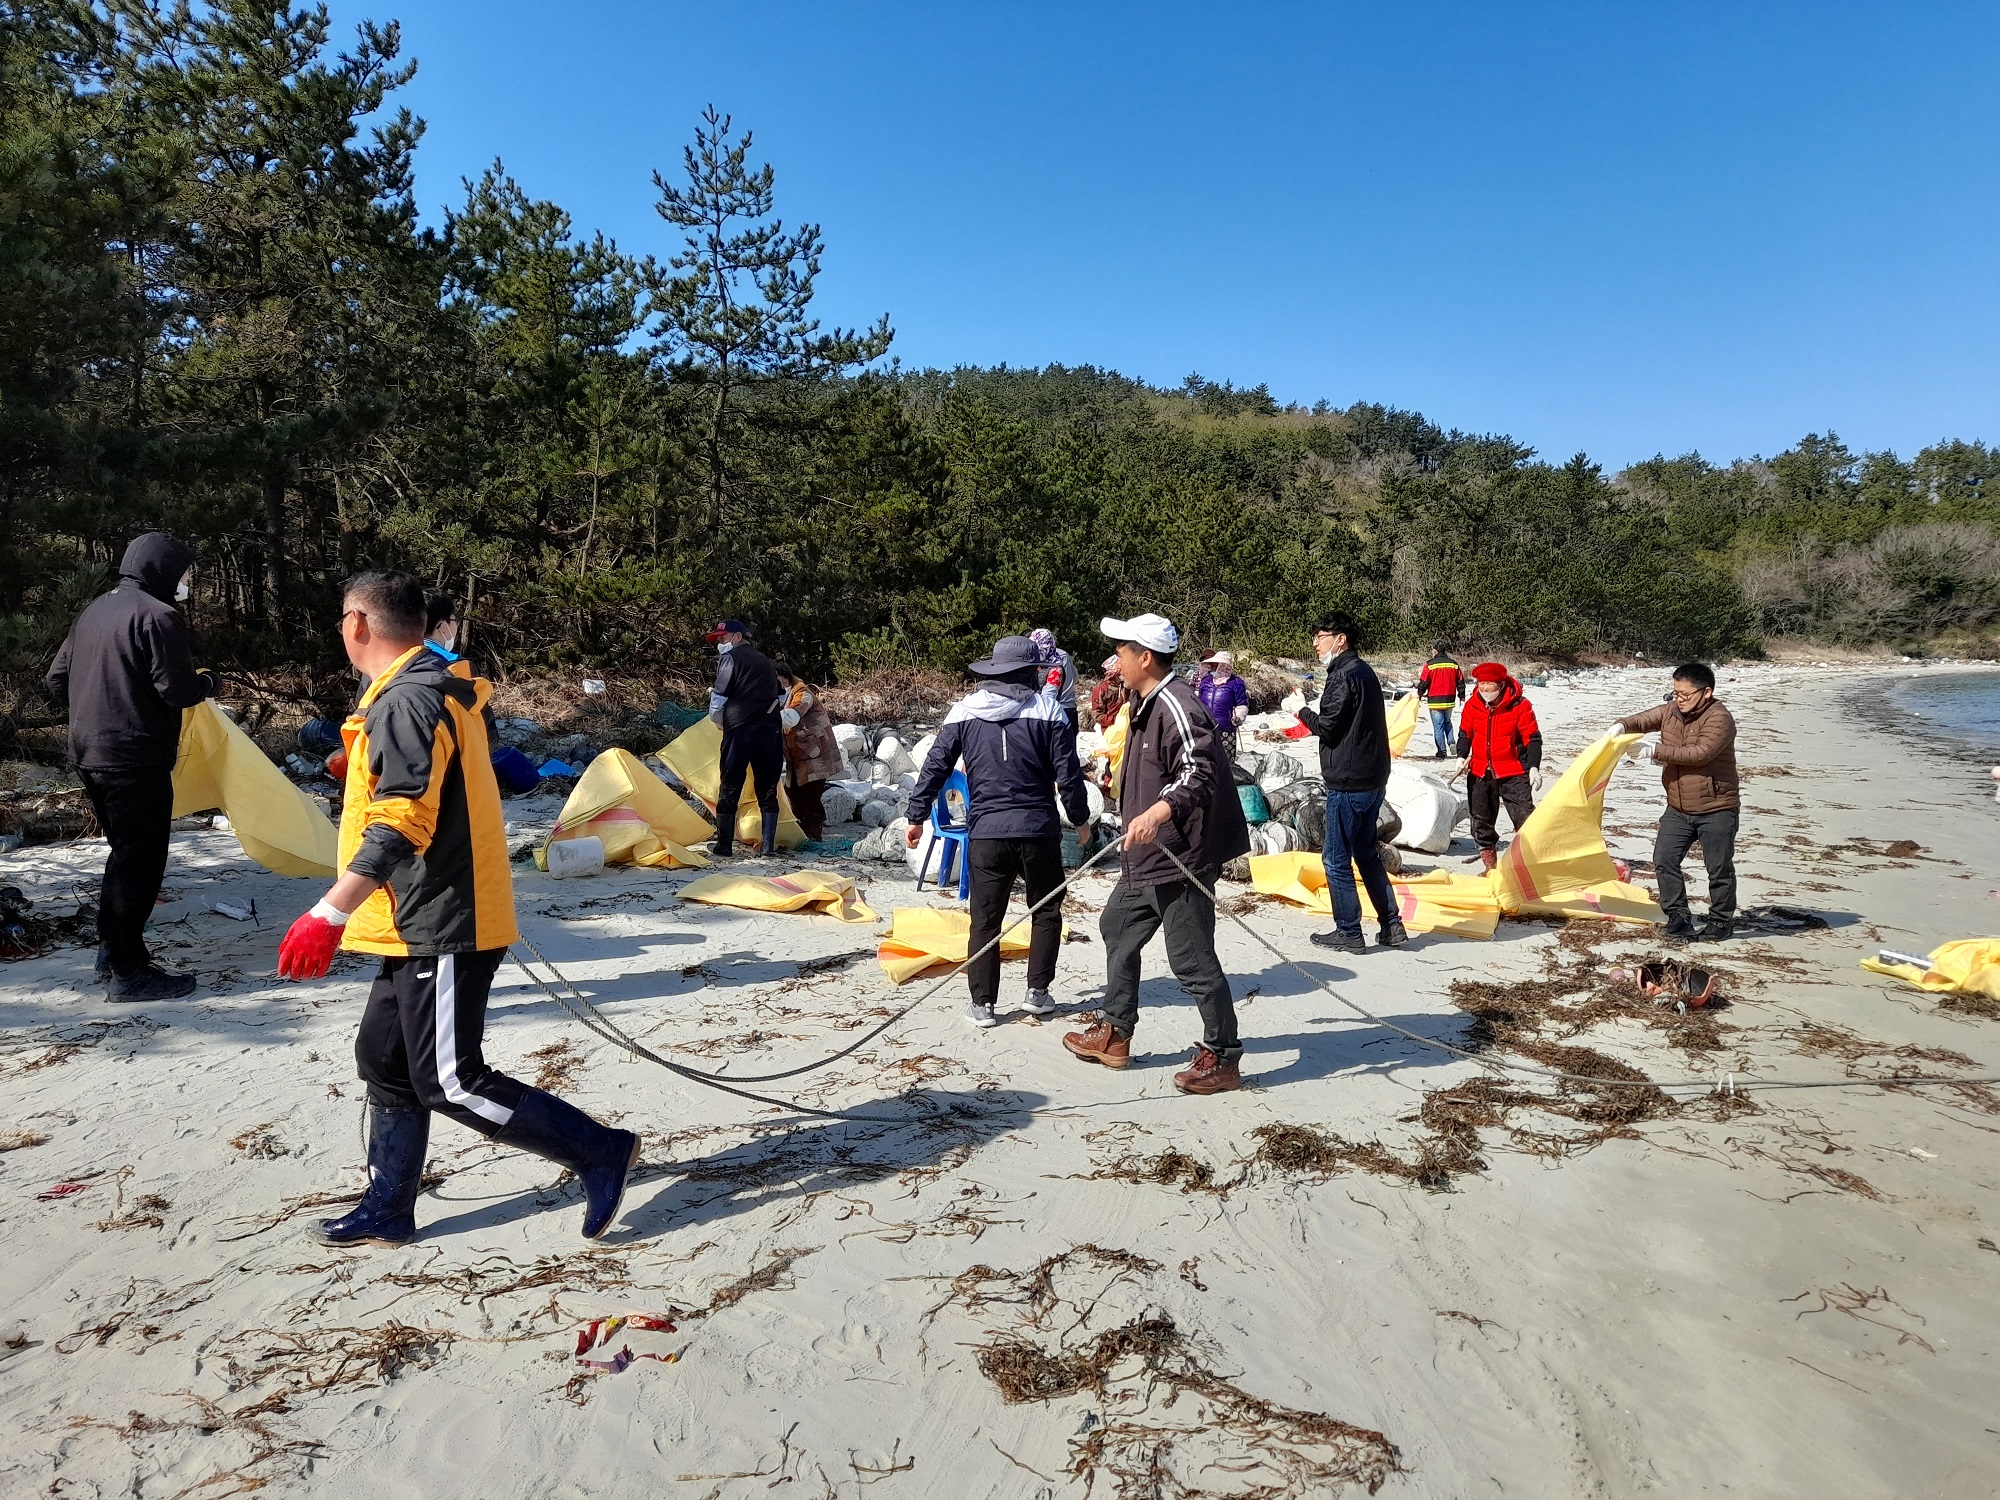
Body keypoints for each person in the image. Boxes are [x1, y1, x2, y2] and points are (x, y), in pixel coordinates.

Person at [275, 570, 638, 1247]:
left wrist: (327, 913)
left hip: (444, 917)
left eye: (340, 623)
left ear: (358, 624)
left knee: (450, 1079)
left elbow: (401, 820)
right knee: (383, 1060)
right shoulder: (418, 690)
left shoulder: (410, 700)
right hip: (410, 917)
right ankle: (389, 1204)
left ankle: (598, 1151)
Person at [1064, 613, 1251, 1095]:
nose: (1116, 660)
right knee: (1117, 928)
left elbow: (1200, 771)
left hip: (1180, 855)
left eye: (1123, 652)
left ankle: (1223, 1056)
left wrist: (1157, 813)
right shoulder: (1143, 700)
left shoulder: (1178, 704)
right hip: (1144, 856)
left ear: (1145, 657)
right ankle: (1115, 1033)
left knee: (1190, 959)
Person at [46, 533, 220, 1001]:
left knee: (123, 856)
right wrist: (207, 681)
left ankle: (112, 949)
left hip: (88, 752)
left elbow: (56, 677)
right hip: (135, 756)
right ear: (163, 570)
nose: (186, 582)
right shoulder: (159, 616)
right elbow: (177, 691)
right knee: (140, 864)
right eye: (184, 573)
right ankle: (130, 973)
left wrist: (99, 701)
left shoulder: (95, 610)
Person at [905, 635, 1093, 1027]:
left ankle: (983, 1004)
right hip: (1038, 830)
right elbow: (1068, 775)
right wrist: (1081, 820)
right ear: (1032, 673)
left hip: (987, 832)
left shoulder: (964, 711)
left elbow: (935, 766)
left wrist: (916, 815)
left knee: (985, 919)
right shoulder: (1050, 710)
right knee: (1045, 911)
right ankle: (1037, 993)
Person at [1298, 616, 1404, 954]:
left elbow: (1328, 728)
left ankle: (1348, 931)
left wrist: (1299, 710)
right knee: (1366, 854)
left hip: (1349, 780)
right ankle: (1392, 926)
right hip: (1372, 776)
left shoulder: (1344, 675)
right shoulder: (1364, 672)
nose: (1315, 644)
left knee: (1335, 859)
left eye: (1320, 637)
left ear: (1339, 639)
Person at [1613, 662, 1739, 942]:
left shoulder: (1720, 718)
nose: (1678, 700)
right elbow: (1644, 719)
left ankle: (1721, 920)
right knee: (1664, 860)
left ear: (1706, 693)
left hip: (1716, 807)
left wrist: (1654, 751)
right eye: (1674, 693)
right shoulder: (1672, 709)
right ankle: (1678, 916)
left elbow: (1701, 753)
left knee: (1718, 868)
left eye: (1685, 695)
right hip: (1677, 807)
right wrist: (1621, 726)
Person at [705, 619, 785, 858]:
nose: (720, 642)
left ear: (738, 637)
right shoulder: (765, 662)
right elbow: (781, 697)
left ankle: (724, 845)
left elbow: (720, 694)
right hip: (769, 730)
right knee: (768, 786)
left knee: (730, 782)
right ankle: (768, 846)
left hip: (739, 729)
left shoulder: (730, 659)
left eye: (723, 637)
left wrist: (718, 720)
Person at [1456, 661, 1543, 871]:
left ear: (1502, 684)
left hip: (1513, 770)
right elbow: (1465, 733)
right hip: (1479, 771)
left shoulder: (1520, 705)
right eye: (1481, 683)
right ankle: (1490, 867)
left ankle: (1530, 866)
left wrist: (1533, 767)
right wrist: (1461, 756)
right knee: (1480, 820)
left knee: (1525, 818)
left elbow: (1533, 738)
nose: (1485, 688)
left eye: (1490, 684)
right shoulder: (1472, 704)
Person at [774, 662, 842, 841]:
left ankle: (813, 832)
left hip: (815, 754)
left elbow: (792, 717)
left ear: (784, 679)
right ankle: (803, 830)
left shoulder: (802, 694)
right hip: (798, 756)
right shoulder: (782, 697)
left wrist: (766, 715)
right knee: (792, 791)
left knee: (810, 793)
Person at [1196, 650, 1250, 761]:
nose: (1213, 667)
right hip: (1205, 727)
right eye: (1212, 664)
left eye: (1217, 664)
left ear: (1224, 666)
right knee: (1205, 759)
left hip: (1226, 728)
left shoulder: (1236, 683)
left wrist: (1239, 717)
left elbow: (1242, 703)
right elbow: (1199, 701)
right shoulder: (1205, 681)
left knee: (1225, 761)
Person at [1416, 644, 1466, 758]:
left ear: (1435, 651)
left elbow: (1424, 682)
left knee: (1438, 726)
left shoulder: (1429, 665)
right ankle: (1452, 742)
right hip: (1449, 699)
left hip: (1435, 700)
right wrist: (1461, 696)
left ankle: (1442, 751)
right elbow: (1460, 681)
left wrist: (1419, 693)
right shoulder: (1454, 664)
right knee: (1447, 722)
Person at [1029, 627, 1079, 726]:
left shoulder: (1052, 667)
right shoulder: (1062, 655)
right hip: (1067, 705)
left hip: (1052, 711)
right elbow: (1075, 676)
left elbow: (1048, 699)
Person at [1089, 654, 1126, 729]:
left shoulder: (1127, 686)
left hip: (1126, 727)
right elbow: (1097, 714)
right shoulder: (1101, 690)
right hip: (1109, 729)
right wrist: (1115, 721)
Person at [423, 592, 460, 661]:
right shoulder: (453, 663)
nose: (457, 625)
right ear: (443, 627)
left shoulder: (401, 657)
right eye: (455, 620)